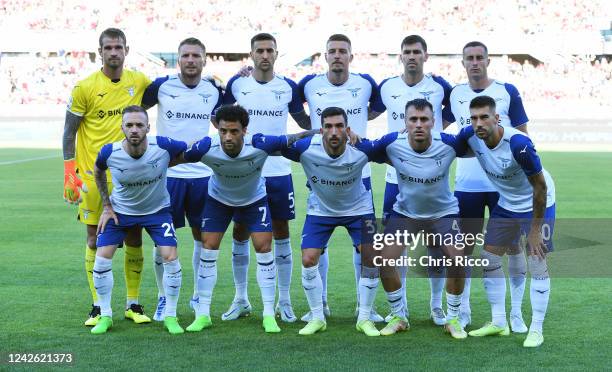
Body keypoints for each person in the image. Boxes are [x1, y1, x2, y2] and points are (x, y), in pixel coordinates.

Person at [181, 105, 316, 333]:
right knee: (208, 247)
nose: (227, 137)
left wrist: (318, 132)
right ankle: (202, 313)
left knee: (264, 248)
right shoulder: (206, 146)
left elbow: (292, 139)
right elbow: (178, 154)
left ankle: (267, 314)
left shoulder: (260, 143)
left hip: (254, 200)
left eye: (234, 131)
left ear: (245, 130)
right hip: (219, 201)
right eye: (223, 131)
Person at [355, 99, 468, 339]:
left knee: (458, 259)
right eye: (413, 119)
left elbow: (479, 146)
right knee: (384, 259)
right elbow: (366, 149)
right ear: (405, 123)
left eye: (424, 119)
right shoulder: (392, 143)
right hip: (405, 213)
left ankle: (454, 318)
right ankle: (399, 316)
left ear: (433, 122)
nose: (419, 124)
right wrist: (351, 136)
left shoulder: (448, 144)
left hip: (443, 213)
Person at [62, 28, 152, 326]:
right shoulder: (84, 87)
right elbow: (69, 132)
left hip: (130, 178)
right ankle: (98, 305)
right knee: (93, 239)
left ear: (127, 50)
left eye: (119, 47)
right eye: (108, 47)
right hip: (92, 177)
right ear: (100, 51)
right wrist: (69, 173)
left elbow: (167, 91)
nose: (114, 52)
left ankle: (133, 303)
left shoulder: (138, 81)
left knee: (134, 236)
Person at [222, 33, 311, 323]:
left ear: (276, 54)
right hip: (245, 173)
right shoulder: (238, 85)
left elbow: (303, 123)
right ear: (251, 54)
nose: (264, 55)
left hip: (278, 170)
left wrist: (325, 134)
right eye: (259, 50)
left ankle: (284, 301)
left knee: (282, 232)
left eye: (269, 50)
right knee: (240, 233)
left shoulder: (288, 87)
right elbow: (220, 118)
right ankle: (241, 298)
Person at [298, 33, 385, 322]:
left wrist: (356, 135)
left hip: (361, 173)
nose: (337, 55)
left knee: (365, 247)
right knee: (317, 242)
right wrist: (314, 134)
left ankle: (366, 308)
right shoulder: (309, 84)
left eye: (342, 51)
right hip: (322, 171)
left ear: (351, 56)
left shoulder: (366, 83)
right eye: (332, 51)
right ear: (325, 56)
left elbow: (376, 109)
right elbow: (297, 112)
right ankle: (320, 304)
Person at [458, 96, 555, 348]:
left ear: (496, 118)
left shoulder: (518, 145)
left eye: (484, 117)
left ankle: (536, 329)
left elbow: (540, 188)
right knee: (489, 258)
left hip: (538, 201)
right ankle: (499, 321)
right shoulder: (470, 136)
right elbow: (444, 145)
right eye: (474, 118)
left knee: (537, 259)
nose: (478, 123)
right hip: (508, 202)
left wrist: (534, 231)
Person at [447, 41, 531, 330]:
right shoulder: (455, 94)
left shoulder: (507, 91)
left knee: (512, 249)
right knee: (464, 249)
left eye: (479, 58)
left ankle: (515, 313)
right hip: (466, 185)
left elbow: (523, 137)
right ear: (462, 62)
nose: (474, 63)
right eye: (469, 58)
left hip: (503, 188)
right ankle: (464, 311)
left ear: (487, 61)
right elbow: (448, 136)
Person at [374, 34, 454, 326]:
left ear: (425, 56)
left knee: (436, 247)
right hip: (395, 178)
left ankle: (436, 307)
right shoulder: (386, 87)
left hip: (430, 177)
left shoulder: (440, 86)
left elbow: (456, 110)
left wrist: (434, 140)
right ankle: (401, 308)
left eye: (416, 52)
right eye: (406, 51)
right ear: (400, 56)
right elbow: (368, 110)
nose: (411, 56)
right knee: (396, 249)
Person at [141, 37, 223, 321]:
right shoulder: (161, 87)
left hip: (203, 176)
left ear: (204, 60)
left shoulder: (214, 91)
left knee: (204, 239)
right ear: (178, 59)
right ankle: (164, 297)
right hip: (169, 176)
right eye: (185, 55)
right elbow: (133, 109)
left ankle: (199, 296)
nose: (190, 60)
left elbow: (231, 119)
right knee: (161, 240)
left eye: (195, 55)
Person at [281, 107, 380, 336]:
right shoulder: (307, 148)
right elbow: (264, 142)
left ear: (347, 130)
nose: (334, 131)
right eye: (328, 127)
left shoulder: (361, 148)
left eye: (339, 127)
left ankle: (364, 317)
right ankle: (317, 317)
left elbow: (389, 146)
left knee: (371, 254)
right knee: (308, 258)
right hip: (321, 209)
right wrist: (306, 134)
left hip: (358, 208)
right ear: (321, 130)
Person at [90, 106, 187, 335]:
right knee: (101, 259)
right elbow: (97, 171)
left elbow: (188, 152)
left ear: (148, 128)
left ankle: (171, 316)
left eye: (139, 125)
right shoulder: (109, 152)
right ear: (122, 127)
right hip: (121, 212)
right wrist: (106, 205)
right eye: (129, 125)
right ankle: (105, 316)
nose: (134, 129)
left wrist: (165, 165)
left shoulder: (163, 145)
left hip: (157, 211)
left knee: (170, 257)